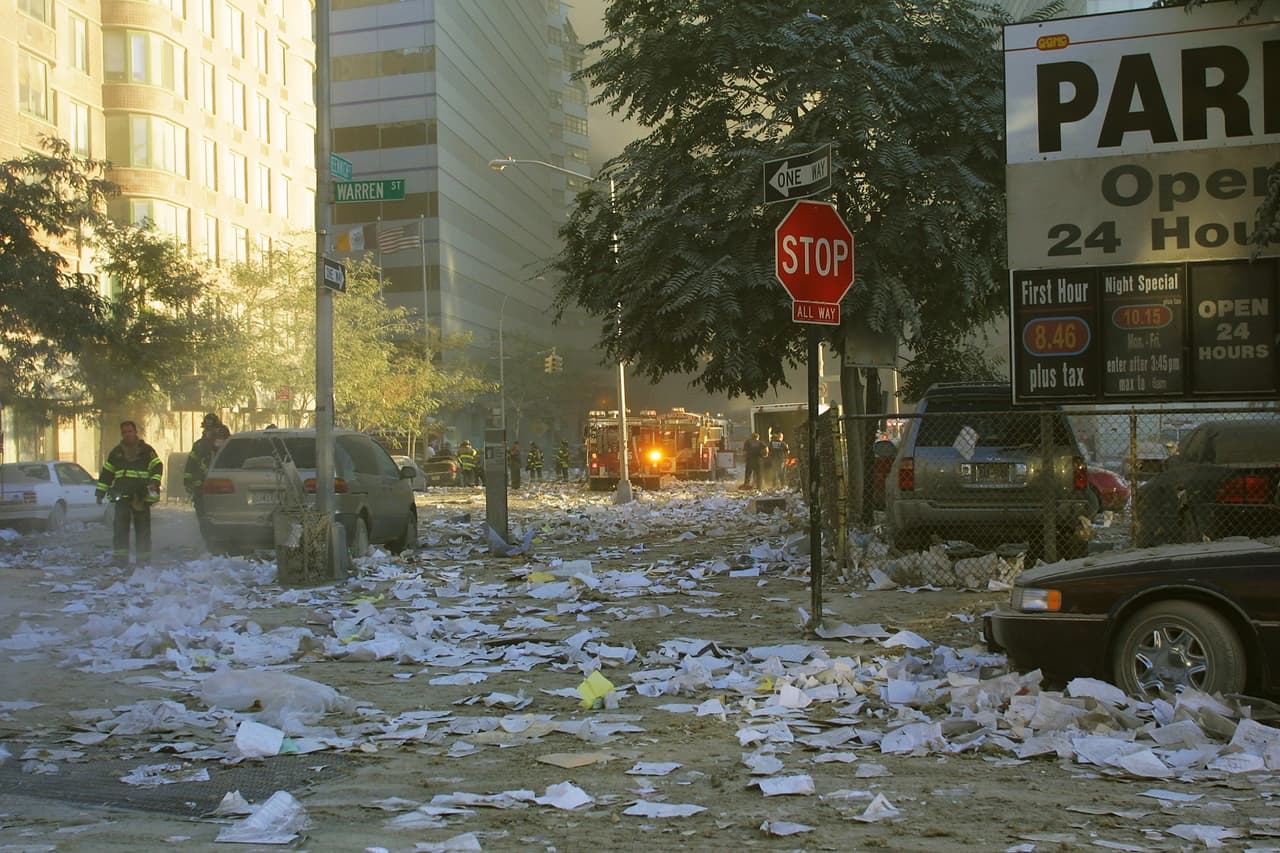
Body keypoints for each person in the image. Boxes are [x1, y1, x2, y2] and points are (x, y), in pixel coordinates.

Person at [96, 420, 163, 567]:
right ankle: (121, 560)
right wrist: (100, 492)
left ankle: (143, 561)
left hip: (141, 497)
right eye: (125, 432)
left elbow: (157, 466)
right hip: (122, 498)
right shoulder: (116, 453)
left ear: (135, 432)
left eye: (130, 431)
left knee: (143, 531)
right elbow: (107, 474)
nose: (128, 434)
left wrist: (154, 482)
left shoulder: (146, 451)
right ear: (122, 434)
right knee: (120, 530)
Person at [184, 413, 222, 541]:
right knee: (202, 516)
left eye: (213, 428)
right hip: (200, 487)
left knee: (219, 515)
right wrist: (187, 480)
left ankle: (220, 541)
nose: (209, 431)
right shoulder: (199, 445)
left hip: (221, 488)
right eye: (207, 429)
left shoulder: (225, 443)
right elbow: (191, 463)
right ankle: (207, 541)